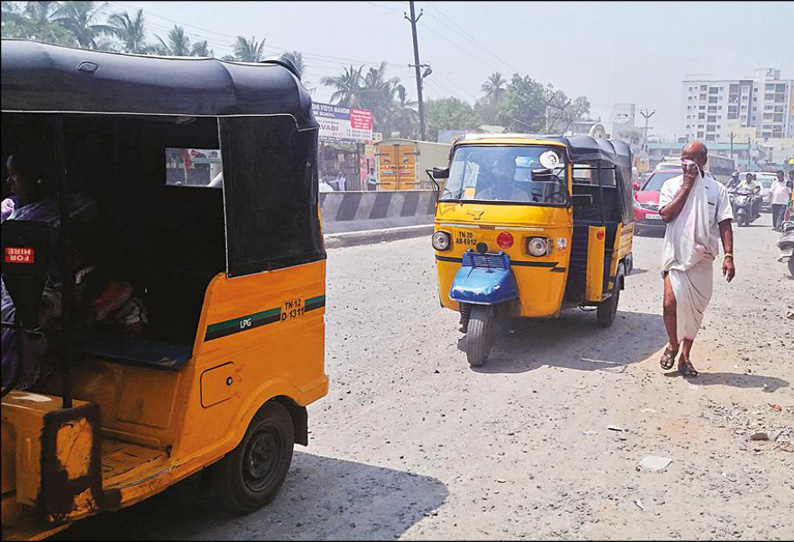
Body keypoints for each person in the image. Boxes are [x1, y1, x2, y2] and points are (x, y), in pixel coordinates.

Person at [2, 149, 99, 391]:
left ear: (36, 178)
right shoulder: (14, 209)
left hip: (53, 285)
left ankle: (19, 381)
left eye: (14, 175)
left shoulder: (74, 210)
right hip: (15, 281)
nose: (9, 182)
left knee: (20, 317)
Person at [658, 141, 734, 378]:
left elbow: (725, 223)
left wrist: (729, 256)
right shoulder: (671, 185)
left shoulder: (717, 189)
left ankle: (685, 356)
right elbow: (666, 215)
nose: (687, 163)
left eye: (692, 158)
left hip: (702, 259)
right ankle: (672, 344)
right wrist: (687, 186)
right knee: (670, 304)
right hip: (676, 255)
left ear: (703, 160)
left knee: (695, 310)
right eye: (683, 158)